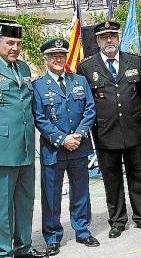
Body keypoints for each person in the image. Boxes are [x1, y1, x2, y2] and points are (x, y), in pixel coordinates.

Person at [77, 21, 141, 238]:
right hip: (104, 132)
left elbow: (139, 93)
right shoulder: (86, 67)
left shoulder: (134, 61)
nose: (109, 40)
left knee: (138, 176)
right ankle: (118, 221)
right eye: (104, 37)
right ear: (97, 41)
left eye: (112, 35)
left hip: (133, 128)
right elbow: (86, 101)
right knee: (112, 179)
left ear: (118, 38)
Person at [32, 38, 99, 256]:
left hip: (79, 146)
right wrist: (62, 139)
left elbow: (90, 109)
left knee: (81, 191)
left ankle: (82, 230)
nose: (58, 59)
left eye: (61, 55)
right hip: (54, 150)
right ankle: (52, 237)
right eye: (53, 56)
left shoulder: (79, 81)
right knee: (51, 196)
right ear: (46, 60)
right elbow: (40, 118)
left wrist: (78, 134)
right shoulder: (39, 86)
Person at [0, 20, 46, 258]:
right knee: (3, 207)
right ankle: (4, 251)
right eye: (9, 43)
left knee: (25, 201)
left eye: (18, 43)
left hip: (26, 146)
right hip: (3, 148)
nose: (14, 48)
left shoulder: (25, 69)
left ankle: (24, 247)